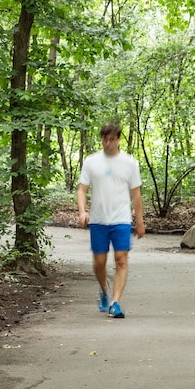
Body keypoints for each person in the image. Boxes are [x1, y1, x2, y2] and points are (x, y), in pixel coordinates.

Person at [76, 123, 145, 318]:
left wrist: (139, 222)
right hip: (98, 220)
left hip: (121, 220)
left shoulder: (130, 163)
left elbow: (136, 194)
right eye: (104, 140)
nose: (108, 143)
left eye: (112, 140)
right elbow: (82, 189)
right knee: (99, 263)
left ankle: (115, 303)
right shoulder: (91, 161)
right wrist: (82, 211)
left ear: (118, 140)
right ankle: (104, 291)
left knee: (121, 260)